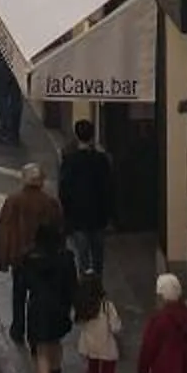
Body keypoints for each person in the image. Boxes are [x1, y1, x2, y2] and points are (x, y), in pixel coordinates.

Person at [0, 162, 64, 344]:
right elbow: (59, 230)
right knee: (38, 295)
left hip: (20, 258)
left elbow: (4, 231)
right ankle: (36, 331)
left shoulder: (13, 200)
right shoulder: (50, 203)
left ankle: (18, 328)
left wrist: (4, 260)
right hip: (43, 258)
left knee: (18, 294)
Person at [19, 218, 78, 373]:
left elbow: (23, 286)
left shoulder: (29, 258)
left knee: (41, 350)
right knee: (55, 344)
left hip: (37, 308)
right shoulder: (66, 257)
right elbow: (72, 286)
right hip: (59, 307)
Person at [59, 114, 116, 284]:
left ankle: (85, 285)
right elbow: (108, 188)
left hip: (77, 216)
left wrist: (66, 213)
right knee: (98, 256)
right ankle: (98, 283)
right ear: (92, 136)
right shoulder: (101, 160)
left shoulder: (70, 160)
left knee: (82, 255)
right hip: (98, 216)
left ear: (77, 136)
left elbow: (64, 190)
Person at [75, 267, 124, 373]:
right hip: (107, 346)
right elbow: (116, 327)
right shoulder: (106, 306)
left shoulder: (82, 306)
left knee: (92, 371)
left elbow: (79, 323)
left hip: (90, 347)